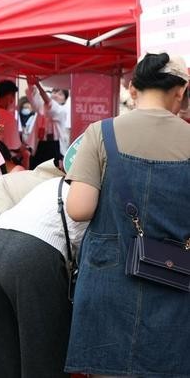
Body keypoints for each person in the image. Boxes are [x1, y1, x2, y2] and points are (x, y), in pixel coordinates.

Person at [65, 52, 190, 377]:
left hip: (107, 282)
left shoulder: (100, 133)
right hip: (173, 283)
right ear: (179, 91)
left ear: (134, 88)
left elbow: (78, 209)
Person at [0, 137, 86, 378]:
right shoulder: (92, 196)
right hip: (32, 255)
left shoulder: (50, 183)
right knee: (42, 359)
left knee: (3, 358)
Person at [28, 77, 71, 162]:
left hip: (55, 146)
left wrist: (38, 85)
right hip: (41, 143)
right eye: (54, 92)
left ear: (64, 100)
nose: (56, 95)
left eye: (60, 94)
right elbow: (34, 95)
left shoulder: (61, 111)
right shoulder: (42, 107)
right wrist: (30, 81)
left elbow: (48, 101)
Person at [0, 79, 29, 167]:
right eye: (13, 96)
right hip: (4, 162)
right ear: (10, 96)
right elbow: (15, 146)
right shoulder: (8, 117)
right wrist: (23, 148)